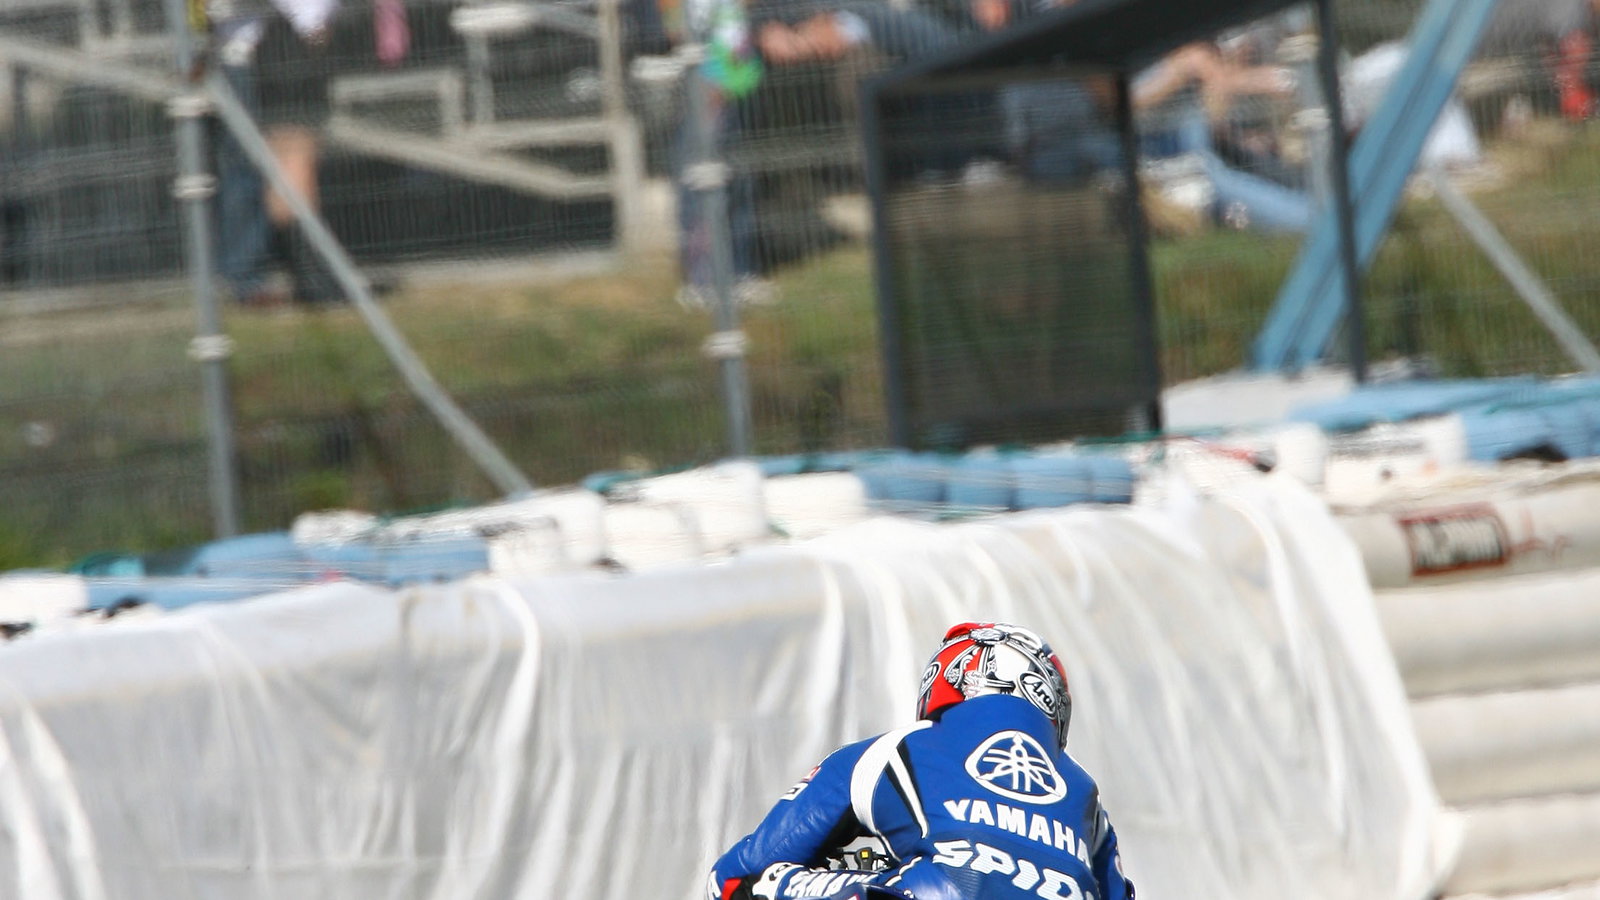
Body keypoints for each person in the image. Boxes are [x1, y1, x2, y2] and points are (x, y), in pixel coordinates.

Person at [707, 622, 1134, 900]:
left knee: (749, 886)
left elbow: (739, 869)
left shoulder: (899, 747)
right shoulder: (1087, 796)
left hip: (934, 893)